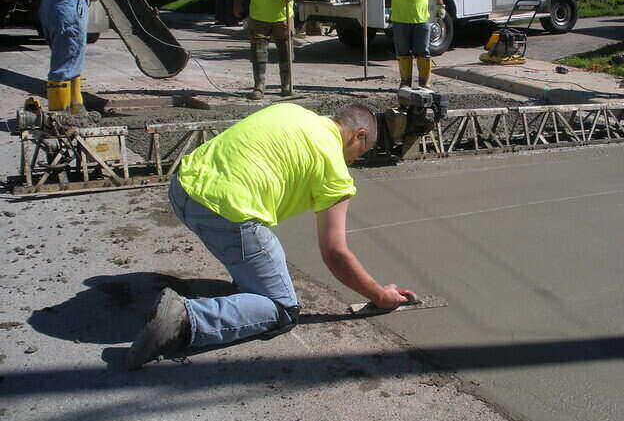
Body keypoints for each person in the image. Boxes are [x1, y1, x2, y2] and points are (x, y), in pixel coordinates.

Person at [126, 103, 415, 370]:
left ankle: (247, 280)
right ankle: (185, 320)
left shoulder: (291, 111)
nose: (354, 161)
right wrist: (379, 295)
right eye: (360, 153)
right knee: (282, 308)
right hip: (226, 214)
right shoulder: (335, 169)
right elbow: (335, 253)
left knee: (261, 244)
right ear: (358, 135)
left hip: (183, 189)